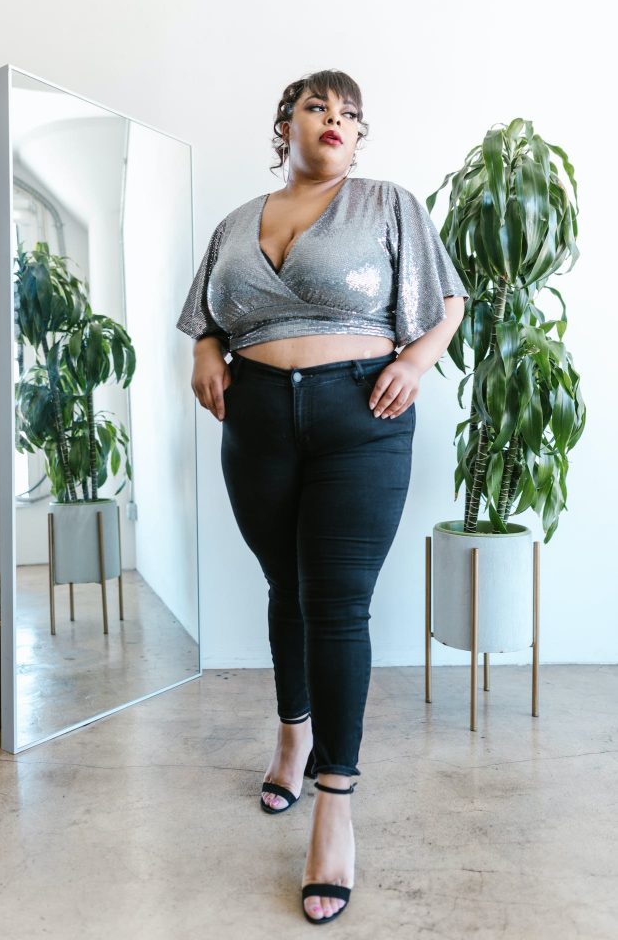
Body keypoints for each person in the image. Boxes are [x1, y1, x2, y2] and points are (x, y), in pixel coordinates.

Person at [176, 69, 469, 924]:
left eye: (349, 114)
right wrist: (203, 349)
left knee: (337, 604)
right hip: (256, 418)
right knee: (284, 591)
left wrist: (414, 361)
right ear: (285, 123)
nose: (335, 122)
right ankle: (291, 734)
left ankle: (334, 802)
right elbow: (209, 315)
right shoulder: (237, 222)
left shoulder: (385, 203)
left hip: (360, 415)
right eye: (318, 108)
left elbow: (446, 303)